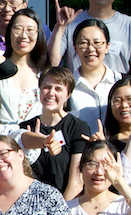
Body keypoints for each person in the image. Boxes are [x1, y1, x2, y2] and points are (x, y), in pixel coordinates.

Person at [21, 67, 89, 195]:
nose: (51, 93)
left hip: (65, 203)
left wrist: (62, 212)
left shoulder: (78, 127)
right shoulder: (25, 128)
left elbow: (77, 182)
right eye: (47, 87)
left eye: (58, 89)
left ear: (68, 95)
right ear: (39, 90)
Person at [68, 19, 123, 130]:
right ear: (75, 47)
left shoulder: (121, 82)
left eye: (97, 43)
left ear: (107, 46)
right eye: (83, 43)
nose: (91, 49)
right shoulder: (67, 86)